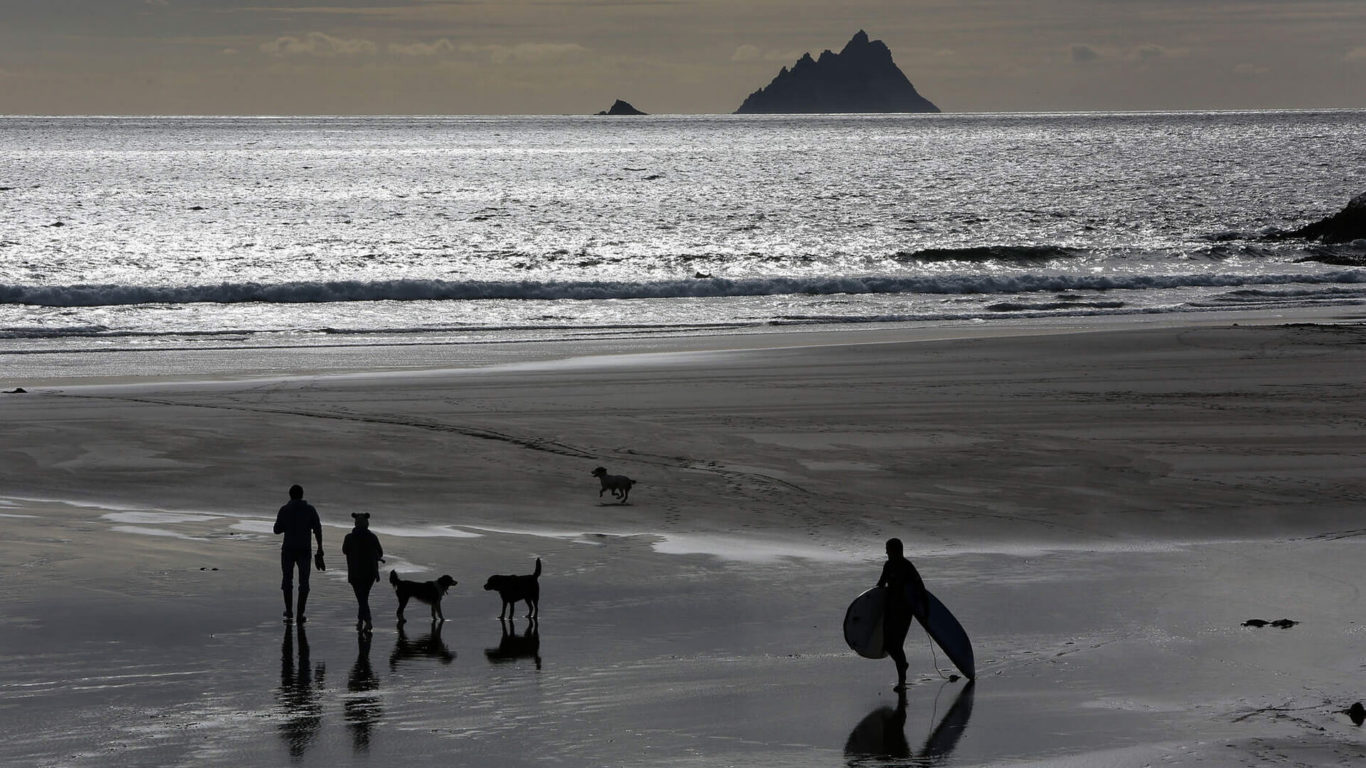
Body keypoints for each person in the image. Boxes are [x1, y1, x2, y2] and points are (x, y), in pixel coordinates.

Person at [877, 537, 928, 692]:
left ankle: (902, 681)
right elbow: (880, 585)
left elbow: (920, 587)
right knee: (888, 645)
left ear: (896, 551)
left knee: (896, 645)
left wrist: (925, 611)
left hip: (904, 612)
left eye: (888, 549)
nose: (886, 552)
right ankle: (902, 664)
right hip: (890, 610)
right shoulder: (888, 565)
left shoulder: (907, 566)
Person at [274, 484, 323, 624]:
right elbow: (318, 529)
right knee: (304, 582)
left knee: (287, 580)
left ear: (290, 495)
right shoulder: (310, 510)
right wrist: (320, 548)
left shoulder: (284, 509)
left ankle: (289, 611)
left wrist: (287, 524)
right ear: (302, 495)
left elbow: (276, 530)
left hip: (288, 549)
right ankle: (300, 614)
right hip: (304, 549)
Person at [342, 512, 385, 633]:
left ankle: (368, 621)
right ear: (367, 524)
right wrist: (375, 556)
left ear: (355, 524)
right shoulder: (372, 537)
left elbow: (344, 550)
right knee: (363, 597)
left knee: (361, 598)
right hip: (370, 572)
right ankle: (361, 621)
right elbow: (380, 552)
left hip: (355, 573)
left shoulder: (349, 537)